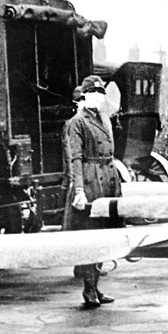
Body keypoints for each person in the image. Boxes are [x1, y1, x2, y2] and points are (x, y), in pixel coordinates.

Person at [62, 75, 124, 308]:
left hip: (107, 179)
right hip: (89, 182)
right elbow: (75, 159)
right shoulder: (77, 122)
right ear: (84, 95)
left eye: (100, 92)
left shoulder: (103, 118)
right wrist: (79, 190)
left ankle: (95, 286)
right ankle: (89, 290)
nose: (97, 96)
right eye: (93, 92)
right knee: (90, 237)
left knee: (104, 237)